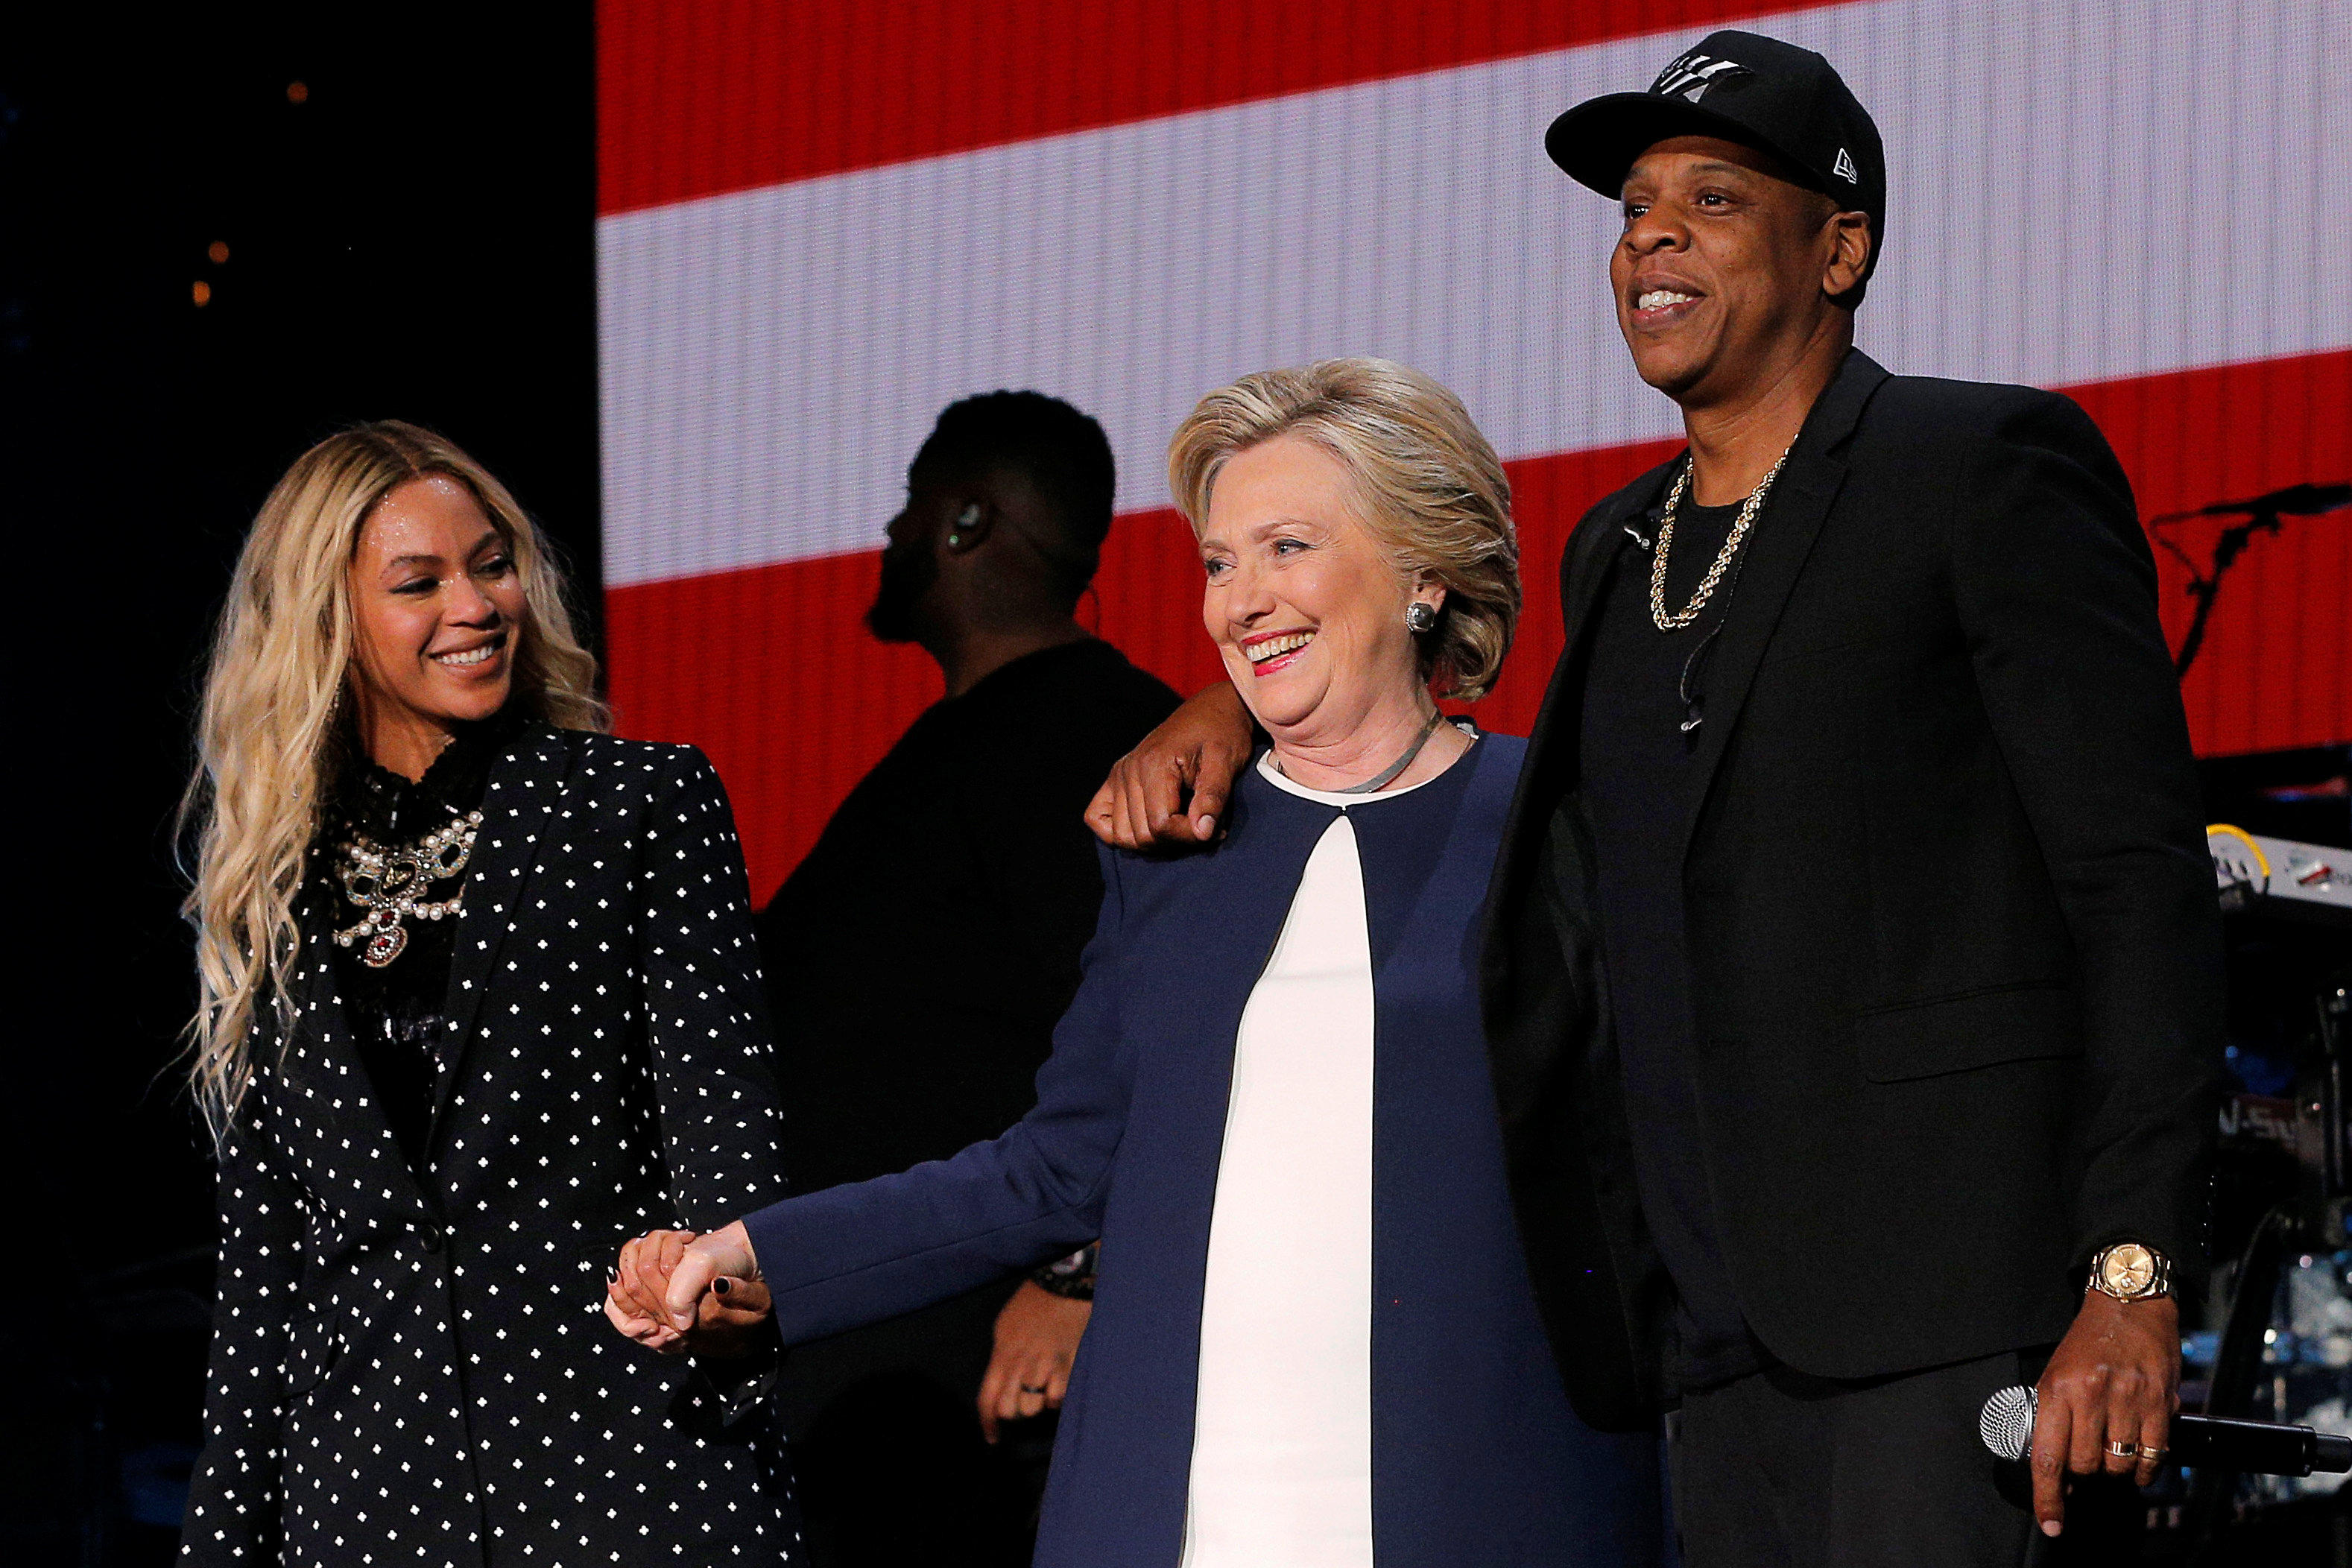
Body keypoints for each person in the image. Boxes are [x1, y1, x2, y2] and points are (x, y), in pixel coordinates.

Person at [1084, 33, 2223, 1567]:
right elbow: (1523, 820)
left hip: (1955, 1318)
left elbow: (2137, 882)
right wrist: (1243, 700)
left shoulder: (1979, 466)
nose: (1651, 240)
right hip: (1710, 1348)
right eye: (1633, 210)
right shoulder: (1618, 548)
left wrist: (2132, 1269)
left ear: (1840, 248)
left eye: (1713, 200)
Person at [616, 359, 1664, 1567]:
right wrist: (759, 1254)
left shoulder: (1558, 823)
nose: (1243, 602)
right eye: (1219, 564)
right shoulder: (1170, 851)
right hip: (1180, 1510)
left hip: (1492, 1490)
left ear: (1424, 572)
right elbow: (1050, 1170)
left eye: (1286, 548)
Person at [177, 423, 798, 1566]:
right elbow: (262, 1287)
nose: (475, 606)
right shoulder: (268, 885)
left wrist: (723, 1295)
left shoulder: (637, 806)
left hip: (630, 1470)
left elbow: (728, 1140)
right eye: (419, 583)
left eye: (493, 565)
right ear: (326, 619)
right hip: (365, 1504)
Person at [747, 390, 1178, 1566]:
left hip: (965, 1427)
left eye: (911, 506)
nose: (890, 534)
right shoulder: (963, 747)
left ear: (967, 521)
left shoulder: (1088, 740)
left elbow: (1163, 1030)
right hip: (863, 1407)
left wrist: (1079, 1278)